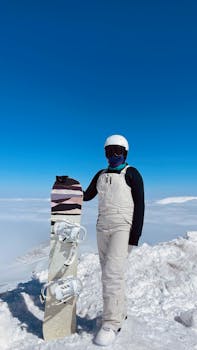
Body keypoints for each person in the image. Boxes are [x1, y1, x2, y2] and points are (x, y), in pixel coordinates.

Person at [83, 134, 145, 346]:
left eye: (118, 151)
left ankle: (111, 323)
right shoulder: (100, 175)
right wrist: (68, 188)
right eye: (109, 151)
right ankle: (121, 311)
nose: (113, 155)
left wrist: (134, 237)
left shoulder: (132, 174)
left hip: (122, 228)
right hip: (102, 228)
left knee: (112, 275)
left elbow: (140, 206)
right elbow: (86, 195)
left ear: (125, 153)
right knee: (109, 273)